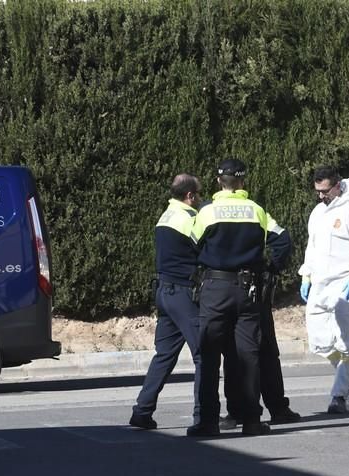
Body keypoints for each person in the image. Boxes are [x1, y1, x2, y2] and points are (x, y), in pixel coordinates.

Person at [187, 158, 292, 437]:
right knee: (249, 355)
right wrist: (272, 268)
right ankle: (251, 420)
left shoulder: (208, 212)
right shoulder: (256, 210)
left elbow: (190, 244)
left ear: (219, 181)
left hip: (216, 288)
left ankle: (208, 422)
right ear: (243, 182)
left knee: (210, 355)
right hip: (249, 290)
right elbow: (283, 240)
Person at [298, 166, 349, 414]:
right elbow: (312, 247)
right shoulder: (318, 213)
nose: (321, 196)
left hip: (346, 283)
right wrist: (306, 275)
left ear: (338, 185)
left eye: (325, 191)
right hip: (320, 283)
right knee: (319, 341)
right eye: (317, 192)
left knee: (348, 343)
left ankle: (339, 396)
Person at [129, 174, 203, 430]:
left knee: (164, 355)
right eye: (198, 194)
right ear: (190, 195)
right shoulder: (189, 219)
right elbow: (206, 249)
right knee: (203, 355)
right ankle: (202, 416)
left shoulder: (167, 215)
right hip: (183, 293)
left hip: (163, 291)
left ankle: (142, 411)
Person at [220, 260, 302, 429]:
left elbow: (280, 242)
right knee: (236, 352)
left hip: (251, 288)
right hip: (237, 287)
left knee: (264, 351)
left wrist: (268, 268)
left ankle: (274, 407)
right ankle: (241, 411)